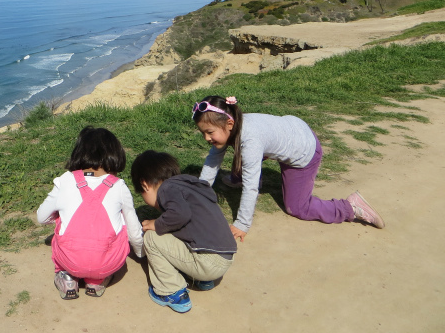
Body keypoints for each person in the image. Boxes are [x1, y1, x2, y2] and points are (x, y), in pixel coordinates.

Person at [193, 95, 385, 242]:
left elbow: (251, 188)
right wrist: (199, 194)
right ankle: (238, 176)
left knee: (298, 208)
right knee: (236, 149)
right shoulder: (234, 123)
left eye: (209, 133)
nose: (206, 138)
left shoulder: (250, 140)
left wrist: (242, 224)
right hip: (292, 129)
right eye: (203, 133)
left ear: (229, 123)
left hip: (303, 151)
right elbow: (212, 161)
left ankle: (350, 207)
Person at [37, 126, 143, 300]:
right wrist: (141, 253)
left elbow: (42, 217)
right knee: (122, 219)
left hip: (69, 261)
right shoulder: (119, 186)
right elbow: (134, 232)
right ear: (115, 154)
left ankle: (67, 277)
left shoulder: (65, 180)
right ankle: (97, 281)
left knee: (61, 224)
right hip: (107, 263)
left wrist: (60, 215)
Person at [130, 150, 236, 314]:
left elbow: (181, 214)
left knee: (152, 236)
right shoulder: (192, 186)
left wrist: (157, 224)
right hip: (225, 255)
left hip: (208, 263)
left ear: (145, 184)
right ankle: (203, 280)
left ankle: (172, 292)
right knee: (175, 229)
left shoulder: (167, 189)